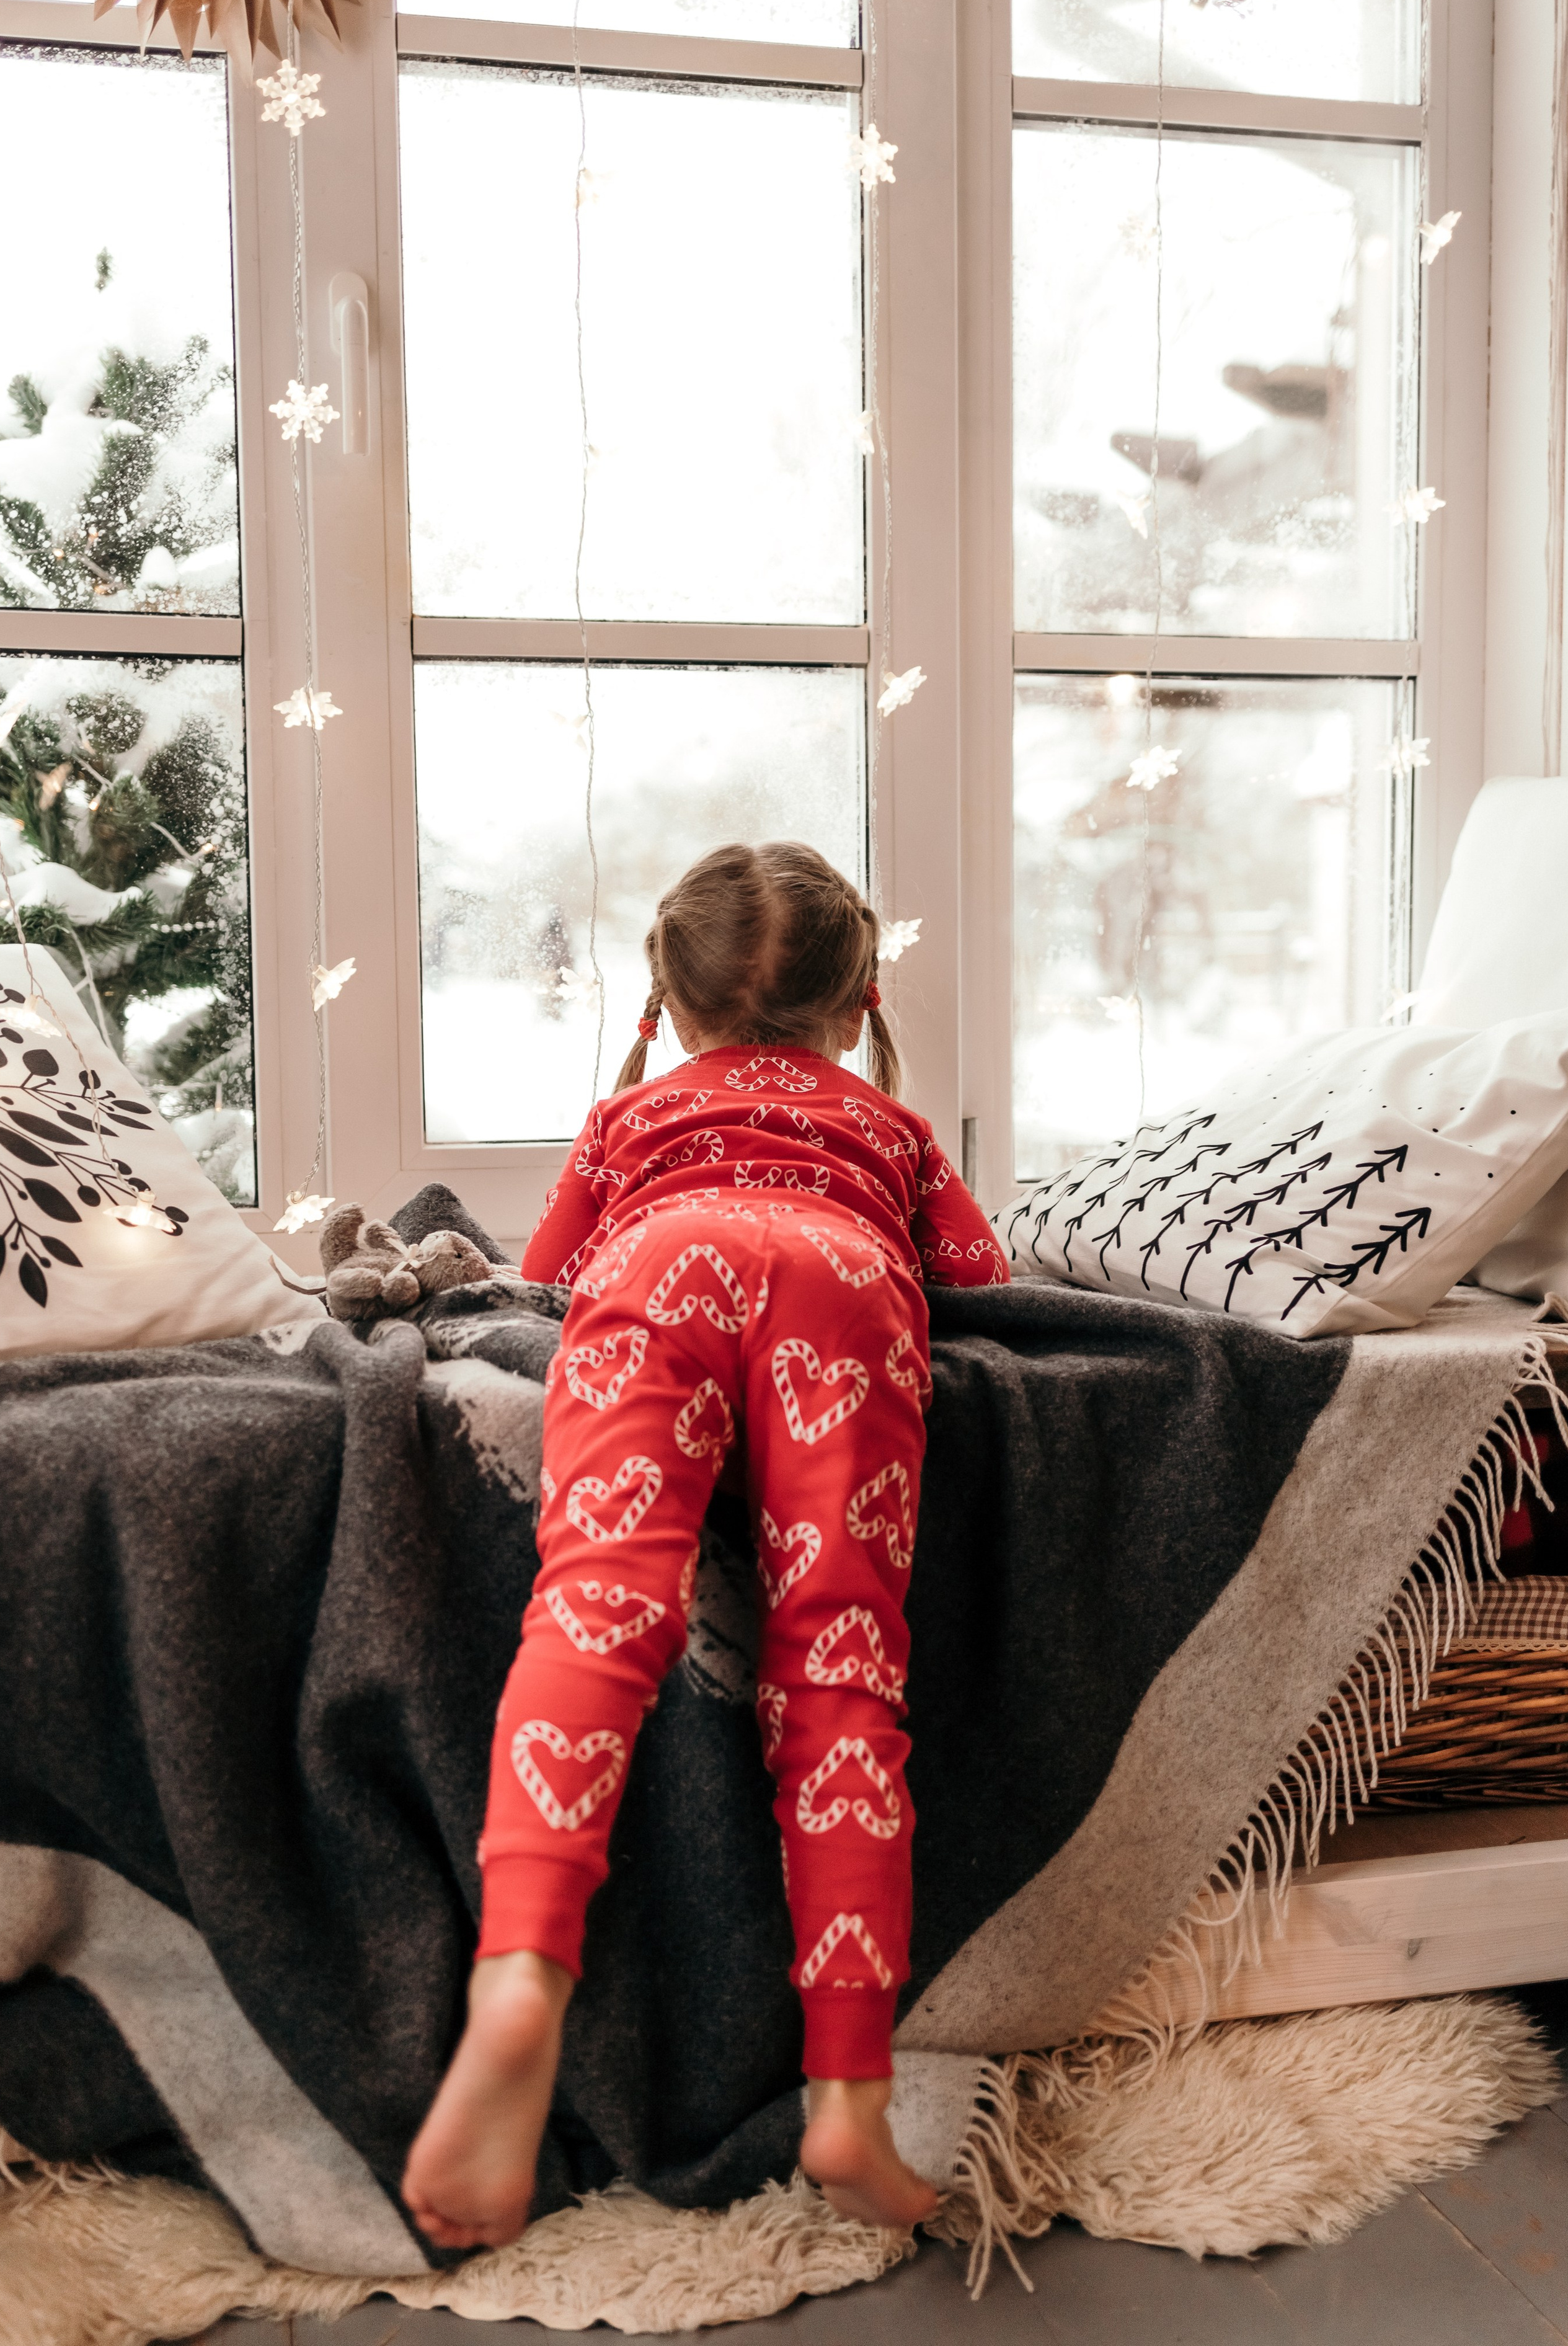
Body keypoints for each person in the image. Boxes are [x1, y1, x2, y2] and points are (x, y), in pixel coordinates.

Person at [403, 841, 1009, 2249]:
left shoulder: (627, 1125)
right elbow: (982, 1280)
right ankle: (848, 2094)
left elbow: (540, 1278)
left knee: (596, 1605)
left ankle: (517, 1985)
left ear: (667, 1010)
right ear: (856, 1005)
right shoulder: (894, 1131)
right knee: (843, 1665)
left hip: (661, 1259)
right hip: (842, 1280)